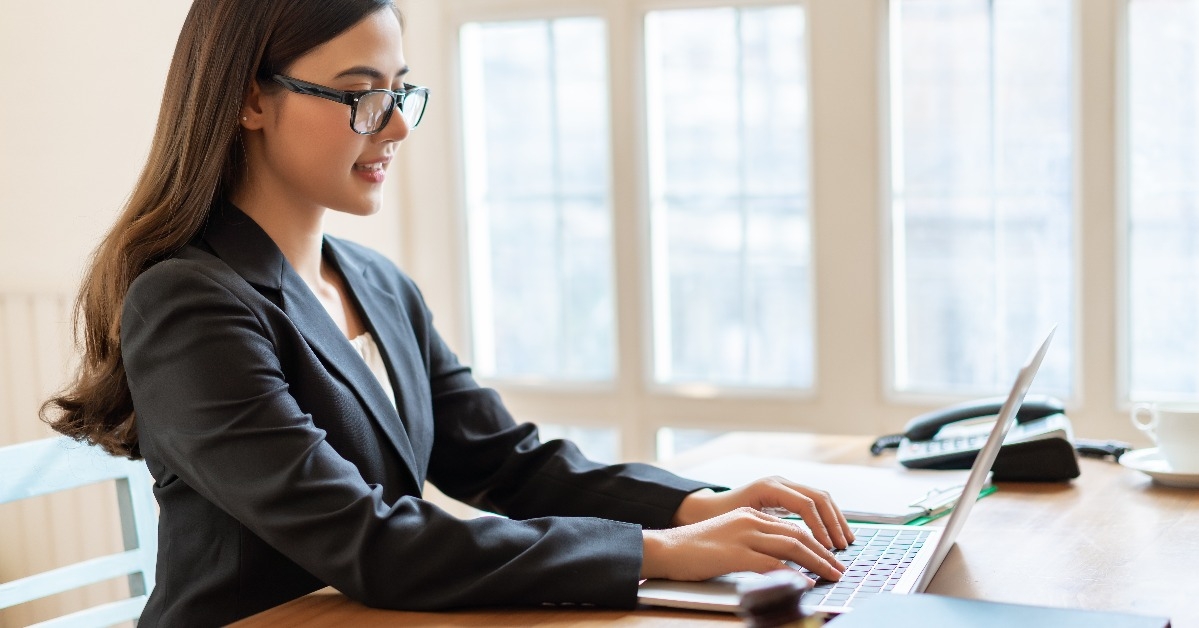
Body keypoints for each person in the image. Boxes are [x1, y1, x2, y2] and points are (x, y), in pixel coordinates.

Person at [42, 1, 852, 625]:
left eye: (399, 91)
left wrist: (695, 507)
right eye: (361, 95)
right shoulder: (188, 303)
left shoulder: (375, 283)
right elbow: (369, 541)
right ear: (250, 100)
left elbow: (506, 462)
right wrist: (658, 552)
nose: (396, 124)